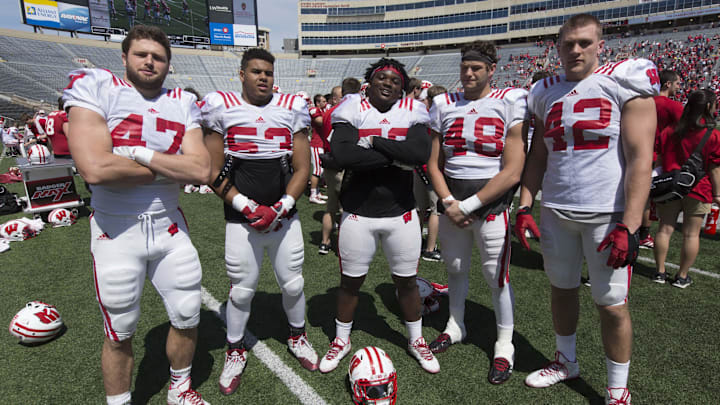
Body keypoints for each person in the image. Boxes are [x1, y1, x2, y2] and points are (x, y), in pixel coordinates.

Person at [63, 25, 211, 405]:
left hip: (169, 227)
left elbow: (200, 171)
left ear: (168, 65)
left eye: (158, 57)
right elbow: (95, 168)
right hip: (117, 231)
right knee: (120, 330)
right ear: (125, 57)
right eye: (142, 54)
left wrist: (139, 155)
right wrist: (169, 166)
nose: (150, 61)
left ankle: (179, 389)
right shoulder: (98, 88)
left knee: (188, 314)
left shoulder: (182, 101)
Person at [514, 14, 658, 404]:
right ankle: (566, 362)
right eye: (568, 43)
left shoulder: (624, 81)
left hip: (606, 215)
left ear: (599, 45)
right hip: (556, 209)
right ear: (557, 46)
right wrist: (525, 204)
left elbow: (640, 158)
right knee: (561, 290)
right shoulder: (544, 91)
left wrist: (629, 226)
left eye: (584, 43)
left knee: (611, 305)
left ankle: (616, 389)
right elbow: (538, 155)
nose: (575, 50)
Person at [199, 48, 318, 396]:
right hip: (240, 219)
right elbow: (211, 169)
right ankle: (235, 348)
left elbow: (302, 168)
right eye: (255, 71)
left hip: (284, 218)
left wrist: (280, 206)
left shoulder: (291, 107)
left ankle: (298, 337)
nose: (263, 77)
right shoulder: (221, 107)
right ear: (241, 74)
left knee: (293, 284)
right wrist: (245, 205)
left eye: (267, 72)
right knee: (241, 291)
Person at [317, 58, 439, 374]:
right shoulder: (352, 106)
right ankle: (341, 340)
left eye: (395, 80)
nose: (388, 83)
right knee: (349, 284)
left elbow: (419, 154)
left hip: (401, 213)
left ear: (402, 87)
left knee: (408, 283)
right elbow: (343, 155)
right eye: (381, 78)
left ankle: (416, 339)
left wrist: (371, 142)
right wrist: (394, 157)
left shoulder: (413, 110)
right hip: (358, 212)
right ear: (370, 82)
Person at [426, 40, 528, 385]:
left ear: (491, 70)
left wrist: (467, 205)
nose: (469, 73)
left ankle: (504, 344)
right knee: (454, 268)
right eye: (465, 67)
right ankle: (456, 325)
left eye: (477, 68)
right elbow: (433, 164)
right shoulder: (443, 104)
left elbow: (513, 170)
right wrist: (449, 203)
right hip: (453, 203)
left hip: (489, 205)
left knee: (495, 276)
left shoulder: (509, 101)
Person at [653, 89, 720, 287]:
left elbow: (659, 158)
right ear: (708, 107)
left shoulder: (670, 130)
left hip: (670, 185)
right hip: (699, 188)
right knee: (691, 234)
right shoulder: (713, 135)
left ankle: (659, 272)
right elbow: (715, 168)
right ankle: (682, 276)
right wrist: (717, 193)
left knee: (664, 229)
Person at [638, 70, 686, 249]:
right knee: (649, 196)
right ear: (667, 84)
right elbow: (685, 131)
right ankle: (643, 234)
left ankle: (635, 231)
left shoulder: (643, 102)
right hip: (657, 155)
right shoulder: (673, 106)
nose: (679, 87)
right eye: (677, 84)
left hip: (636, 151)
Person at [317, 78, 361, 255]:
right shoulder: (351, 110)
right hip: (345, 164)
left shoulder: (328, 113)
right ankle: (344, 246)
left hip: (329, 162)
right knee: (347, 209)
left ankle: (324, 242)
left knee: (331, 207)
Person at [308, 93, 328, 204]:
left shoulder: (323, 111)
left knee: (321, 170)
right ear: (317, 103)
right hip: (316, 144)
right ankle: (312, 195)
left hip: (322, 144)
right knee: (317, 170)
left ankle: (317, 192)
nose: (325, 103)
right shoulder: (314, 110)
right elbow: (320, 122)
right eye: (323, 101)